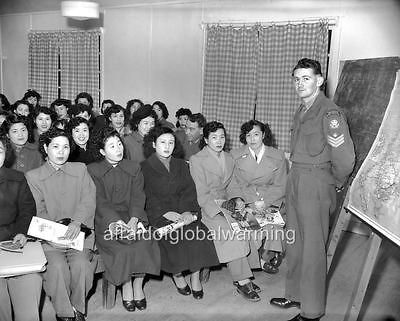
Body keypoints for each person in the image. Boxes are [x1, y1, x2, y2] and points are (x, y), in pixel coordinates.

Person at [270, 58, 355, 321]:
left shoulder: (330, 113)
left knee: (313, 249)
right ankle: (295, 294)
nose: (300, 83)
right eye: (296, 78)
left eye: (306, 78)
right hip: (296, 178)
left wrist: (333, 183)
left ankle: (312, 310)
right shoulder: (302, 109)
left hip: (316, 182)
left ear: (319, 80)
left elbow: (345, 158)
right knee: (293, 242)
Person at [26, 128, 96, 321]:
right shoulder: (33, 176)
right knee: (57, 268)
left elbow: (89, 198)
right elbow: (38, 210)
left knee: (82, 266)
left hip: (80, 233)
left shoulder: (80, 168)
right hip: (49, 238)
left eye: (66, 147)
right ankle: (64, 313)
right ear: (46, 148)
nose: (61, 151)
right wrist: (54, 235)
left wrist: (76, 222)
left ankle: (77, 307)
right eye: (55, 146)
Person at [141, 126, 219, 300]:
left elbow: (189, 191)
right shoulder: (144, 168)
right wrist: (164, 214)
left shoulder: (181, 165)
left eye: (171, 142)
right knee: (172, 238)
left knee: (197, 233)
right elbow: (146, 197)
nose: (167, 146)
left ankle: (195, 277)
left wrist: (188, 212)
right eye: (162, 142)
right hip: (159, 215)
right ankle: (177, 276)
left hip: (183, 211)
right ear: (153, 144)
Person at [87, 128, 160, 312]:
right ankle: (126, 286)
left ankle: (138, 286)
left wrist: (134, 220)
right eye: (111, 146)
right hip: (107, 220)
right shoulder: (93, 170)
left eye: (119, 144)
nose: (118, 148)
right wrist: (116, 223)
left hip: (133, 216)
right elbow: (100, 201)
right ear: (102, 151)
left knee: (145, 242)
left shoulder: (134, 167)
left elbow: (138, 196)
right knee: (121, 248)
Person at [189, 121, 262, 302]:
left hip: (227, 204)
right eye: (214, 137)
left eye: (222, 137)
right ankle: (243, 280)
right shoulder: (197, 160)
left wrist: (238, 200)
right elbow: (201, 194)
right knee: (229, 231)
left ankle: (247, 271)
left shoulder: (229, 158)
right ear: (206, 139)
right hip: (207, 209)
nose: (219, 141)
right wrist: (220, 211)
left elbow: (232, 185)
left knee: (251, 224)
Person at [230, 120, 288, 274]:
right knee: (251, 227)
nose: (252, 139)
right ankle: (257, 260)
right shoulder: (235, 155)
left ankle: (267, 256)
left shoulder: (278, 155)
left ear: (263, 135)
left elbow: (281, 185)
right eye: (248, 135)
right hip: (246, 200)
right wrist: (245, 202)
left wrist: (264, 202)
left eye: (256, 134)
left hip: (271, 200)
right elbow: (234, 184)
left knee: (274, 226)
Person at [0, 134, 42, 321]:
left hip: (13, 240)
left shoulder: (17, 178)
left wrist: (21, 232)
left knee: (31, 280)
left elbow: (27, 210)